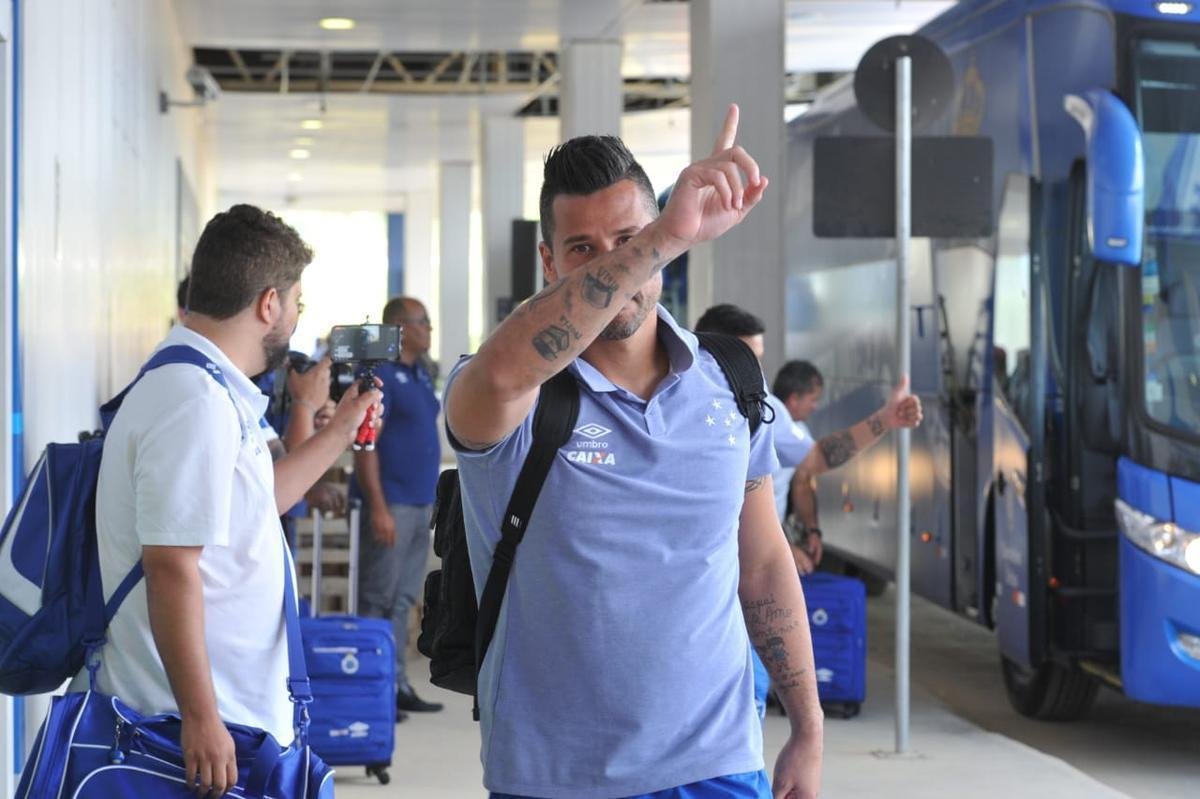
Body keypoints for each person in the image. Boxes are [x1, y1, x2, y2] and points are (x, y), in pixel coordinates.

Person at [444, 106, 823, 799]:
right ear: (549, 260)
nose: (618, 262)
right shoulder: (511, 391)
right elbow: (500, 375)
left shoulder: (730, 381)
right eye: (584, 248)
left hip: (716, 764)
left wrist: (808, 726)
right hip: (554, 778)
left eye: (629, 236)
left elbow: (763, 561)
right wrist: (660, 239)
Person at [84, 205, 381, 798]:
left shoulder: (210, 389)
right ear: (268, 304)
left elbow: (259, 501)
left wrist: (342, 428)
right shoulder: (191, 401)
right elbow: (170, 564)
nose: (297, 318)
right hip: (189, 734)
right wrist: (201, 716)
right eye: (297, 302)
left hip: (234, 723)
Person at [693, 304, 923, 574]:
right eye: (746, 359)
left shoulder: (759, 406)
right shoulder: (689, 405)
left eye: (758, 360)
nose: (755, 371)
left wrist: (885, 419)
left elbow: (811, 464)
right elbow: (816, 459)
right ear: (709, 354)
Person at [351, 296, 444, 716]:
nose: (430, 329)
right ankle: (369, 688)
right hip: (390, 504)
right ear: (401, 328)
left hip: (420, 503)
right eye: (423, 322)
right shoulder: (381, 376)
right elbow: (365, 444)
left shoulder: (419, 375)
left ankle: (396, 684)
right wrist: (378, 506)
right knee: (377, 597)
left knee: (404, 598)